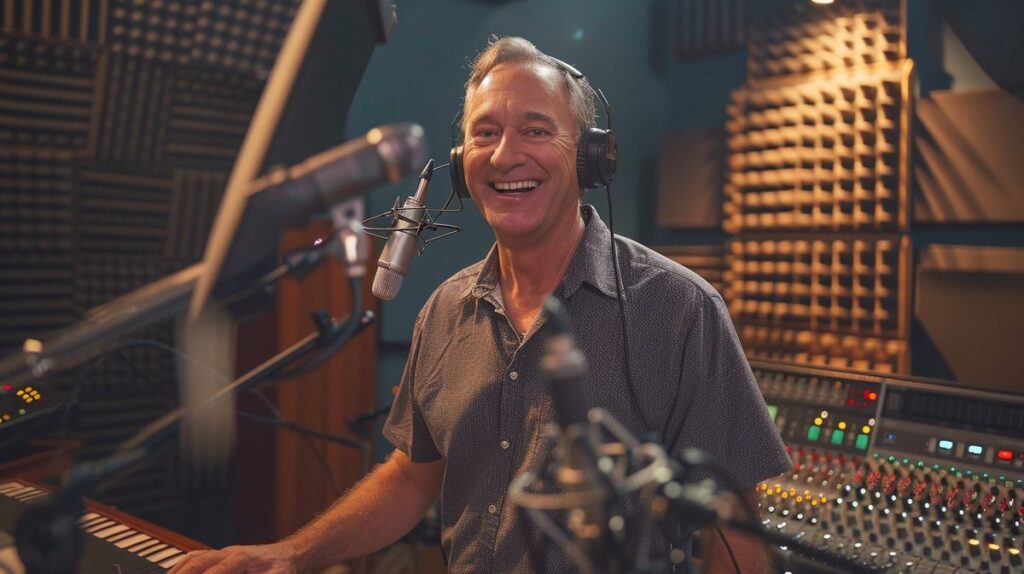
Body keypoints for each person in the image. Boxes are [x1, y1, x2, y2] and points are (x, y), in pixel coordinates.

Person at [170, 36, 790, 574]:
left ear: (589, 156)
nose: (504, 154)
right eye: (485, 133)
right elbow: (412, 475)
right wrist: (295, 554)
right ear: (463, 160)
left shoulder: (680, 309)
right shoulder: (443, 310)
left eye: (536, 130)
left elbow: (733, 521)